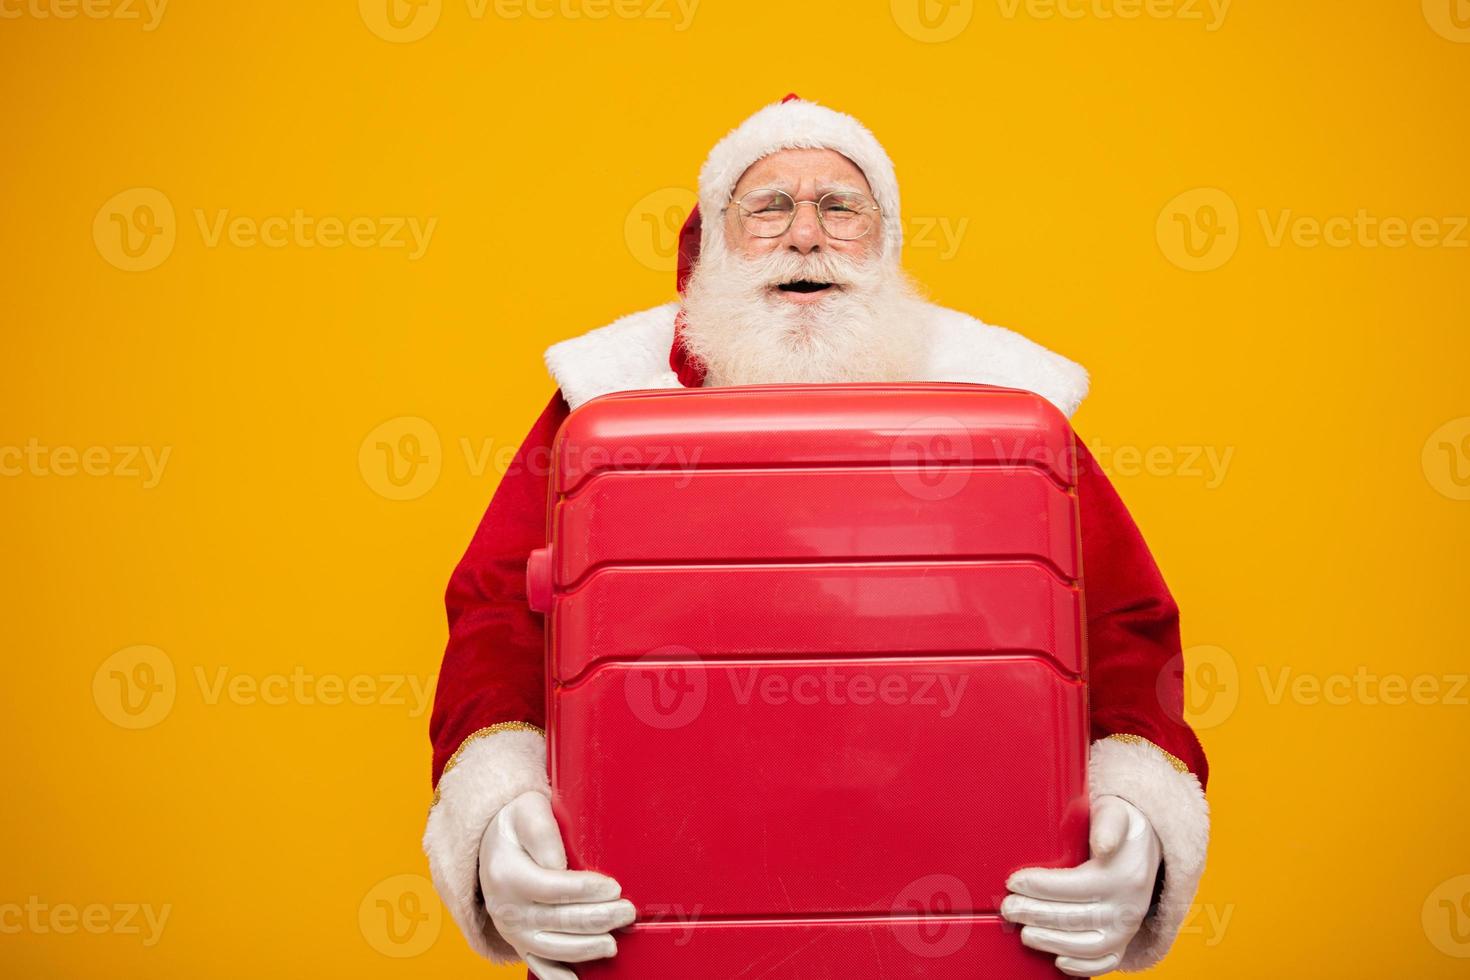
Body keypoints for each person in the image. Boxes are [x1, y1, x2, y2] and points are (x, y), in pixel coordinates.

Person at [422, 95, 1210, 979]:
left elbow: (1125, 624)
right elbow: (495, 614)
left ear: (888, 243)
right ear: (712, 245)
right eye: (768, 208)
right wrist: (498, 812)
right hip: (658, 911)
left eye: (840, 206)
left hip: (955, 910)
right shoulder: (607, 397)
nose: (806, 235)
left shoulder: (1007, 401)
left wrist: (1136, 819)